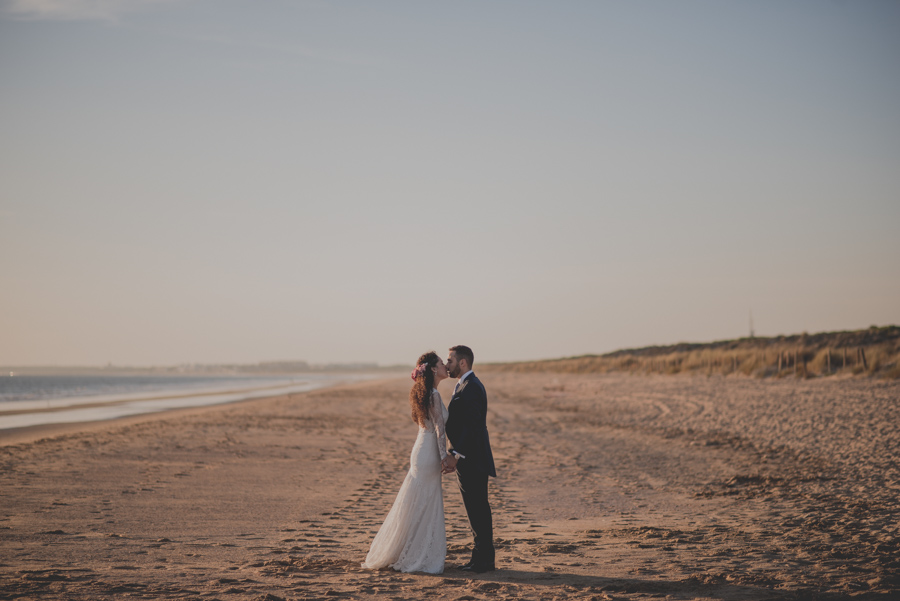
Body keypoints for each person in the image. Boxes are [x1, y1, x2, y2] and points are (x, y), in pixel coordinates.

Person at [362, 351, 451, 574]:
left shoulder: (425, 394)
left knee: (416, 502)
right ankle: (416, 555)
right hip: (429, 452)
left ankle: (405, 550)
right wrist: (444, 457)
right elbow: (440, 430)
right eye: (441, 363)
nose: (445, 366)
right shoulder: (434, 396)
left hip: (420, 450)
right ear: (432, 369)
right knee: (426, 503)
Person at [442, 344, 497, 572]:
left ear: (462, 362)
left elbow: (473, 426)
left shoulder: (471, 386)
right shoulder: (464, 384)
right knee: (475, 509)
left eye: (450, 360)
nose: (447, 365)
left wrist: (455, 454)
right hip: (470, 458)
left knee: (478, 509)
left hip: (473, 458)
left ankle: (484, 561)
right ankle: (480, 559)